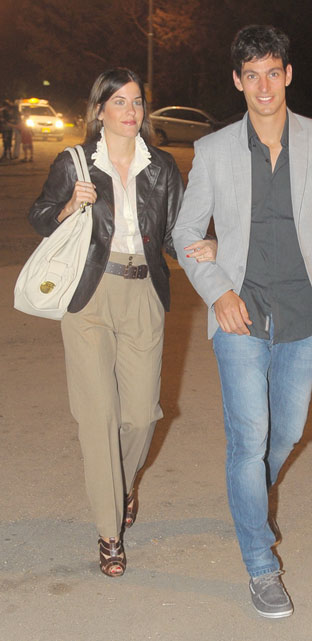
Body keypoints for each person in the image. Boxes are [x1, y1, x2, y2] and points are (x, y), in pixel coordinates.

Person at [173, 25, 312, 618]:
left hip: (304, 315)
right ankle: (261, 565)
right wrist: (218, 292)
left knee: (283, 435)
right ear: (238, 82)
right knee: (249, 438)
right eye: (251, 75)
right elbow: (186, 232)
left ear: (288, 75)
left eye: (273, 72)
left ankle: (249, 500)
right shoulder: (213, 150)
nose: (264, 86)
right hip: (241, 315)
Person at [28, 67, 216, 577]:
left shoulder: (163, 167)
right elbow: (40, 216)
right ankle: (109, 532)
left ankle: (124, 484)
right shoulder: (74, 162)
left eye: (137, 102)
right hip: (89, 294)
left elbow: (175, 234)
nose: (131, 111)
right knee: (97, 416)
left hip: (144, 293)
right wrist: (69, 205)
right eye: (119, 102)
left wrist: (208, 247)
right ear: (99, 110)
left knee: (140, 415)